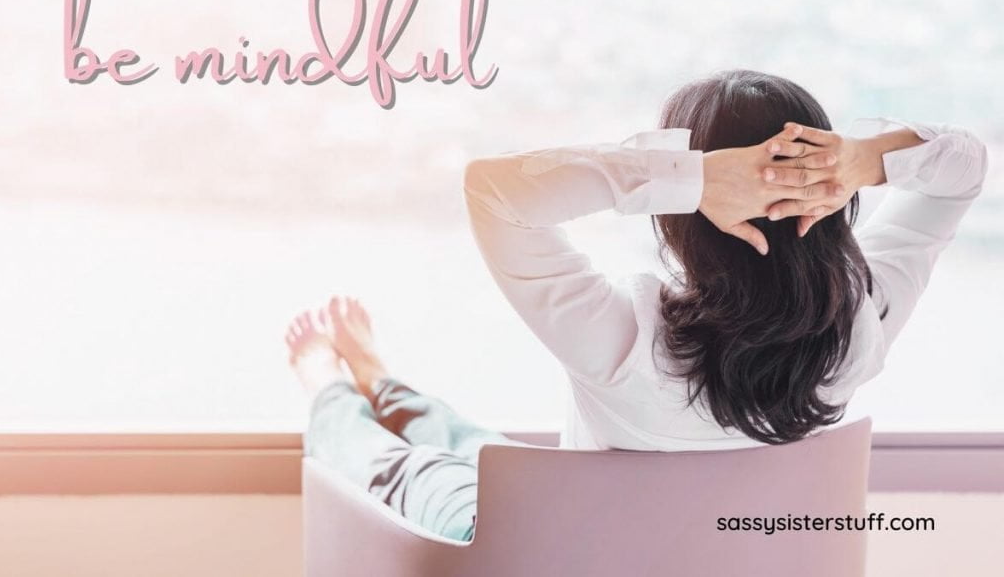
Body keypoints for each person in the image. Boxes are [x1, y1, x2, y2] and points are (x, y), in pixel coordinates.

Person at [285, 69, 988, 541]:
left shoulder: (625, 344)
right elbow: (963, 172)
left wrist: (686, 177)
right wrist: (867, 159)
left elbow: (494, 192)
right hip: (669, 548)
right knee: (483, 450)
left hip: (547, 552)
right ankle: (385, 382)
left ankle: (331, 383)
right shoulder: (863, 331)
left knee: (406, 467)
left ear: (684, 215)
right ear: (832, 200)